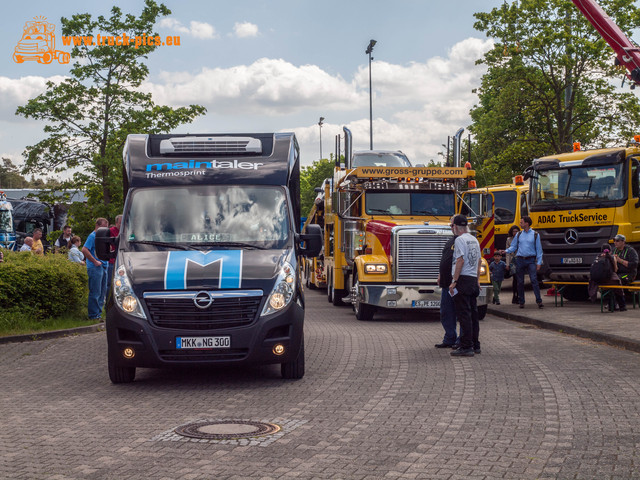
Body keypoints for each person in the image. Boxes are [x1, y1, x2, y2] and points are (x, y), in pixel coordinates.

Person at [449, 214, 482, 357]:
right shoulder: (474, 239)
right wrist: (478, 280)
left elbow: (460, 260)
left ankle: (466, 346)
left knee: (464, 315)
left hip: (463, 279)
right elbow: (479, 261)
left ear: (455, 227)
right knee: (473, 314)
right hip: (473, 279)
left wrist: (454, 281)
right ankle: (475, 344)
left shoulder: (460, 240)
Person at [502, 216, 544, 309]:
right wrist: (506, 251)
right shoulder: (519, 234)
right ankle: (521, 301)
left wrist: (539, 262)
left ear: (527, 223)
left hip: (531, 260)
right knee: (520, 281)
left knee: (534, 280)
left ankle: (539, 300)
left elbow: (539, 249)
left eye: (521, 222)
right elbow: (513, 246)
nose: (520, 224)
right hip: (520, 259)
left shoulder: (535, 234)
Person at [435, 217, 459, 349]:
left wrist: (455, 280)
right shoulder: (450, 241)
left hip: (457, 284)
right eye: (450, 225)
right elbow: (444, 260)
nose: (451, 227)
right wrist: (440, 274)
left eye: (452, 225)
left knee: (460, 312)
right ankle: (450, 337)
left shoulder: (463, 241)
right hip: (446, 284)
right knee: (446, 312)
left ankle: (462, 340)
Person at [82, 218, 109, 321]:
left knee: (102, 291)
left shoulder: (100, 237)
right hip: (95, 267)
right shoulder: (92, 236)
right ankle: (93, 315)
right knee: (96, 291)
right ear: (97, 226)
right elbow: (84, 249)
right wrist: (94, 261)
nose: (105, 229)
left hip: (103, 265)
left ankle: (98, 313)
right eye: (103, 227)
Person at [588, 244, 625, 312]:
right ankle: (622, 306)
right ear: (610, 251)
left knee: (608, 290)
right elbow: (615, 269)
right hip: (608, 280)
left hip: (597, 281)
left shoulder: (597, 257)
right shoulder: (612, 257)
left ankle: (611, 306)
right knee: (618, 287)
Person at [505, 225, 521, 304]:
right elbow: (507, 253)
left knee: (519, 278)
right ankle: (514, 295)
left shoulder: (521, 239)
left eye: (516, 231)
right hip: (513, 261)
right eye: (514, 231)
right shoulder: (509, 239)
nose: (515, 233)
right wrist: (507, 264)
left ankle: (519, 295)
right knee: (515, 278)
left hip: (520, 260)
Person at [107, 215, 122, 282]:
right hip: (112, 260)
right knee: (109, 282)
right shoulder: (110, 231)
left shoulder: (127, 232)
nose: (122, 225)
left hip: (123, 260)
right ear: (116, 223)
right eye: (120, 222)